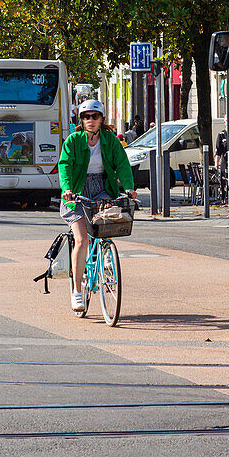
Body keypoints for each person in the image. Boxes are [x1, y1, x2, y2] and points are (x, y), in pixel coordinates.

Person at [57, 99, 136, 312]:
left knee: (108, 224)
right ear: (80, 120)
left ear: (101, 119)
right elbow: (64, 166)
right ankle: (76, 291)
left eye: (94, 116)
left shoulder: (110, 140)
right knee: (81, 239)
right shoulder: (73, 141)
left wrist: (128, 187)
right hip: (77, 191)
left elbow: (122, 164)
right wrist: (67, 189)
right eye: (85, 117)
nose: (89, 120)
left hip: (102, 188)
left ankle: (107, 259)